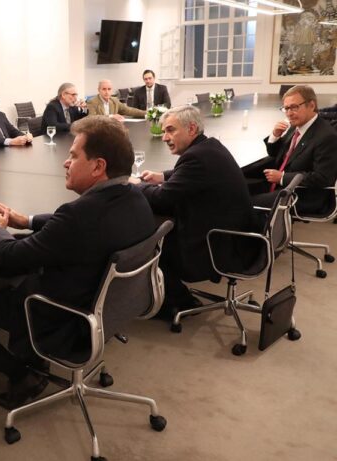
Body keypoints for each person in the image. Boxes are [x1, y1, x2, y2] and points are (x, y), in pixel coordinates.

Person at [0, 116, 156, 410]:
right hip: (111, 308)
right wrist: (26, 220)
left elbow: (13, 258)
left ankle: (22, 373)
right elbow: (67, 224)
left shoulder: (78, 217)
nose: (65, 163)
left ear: (98, 166)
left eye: (73, 156)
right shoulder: (136, 196)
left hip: (59, 314)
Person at [132, 106, 253, 312]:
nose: (164, 137)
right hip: (237, 235)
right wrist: (162, 176)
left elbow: (163, 199)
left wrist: (137, 185)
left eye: (170, 130)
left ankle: (176, 302)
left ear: (191, 129)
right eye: (163, 131)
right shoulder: (209, 147)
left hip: (216, 245)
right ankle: (175, 296)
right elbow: (191, 173)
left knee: (147, 241)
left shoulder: (195, 157)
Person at [241, 85, 337, 214]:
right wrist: (275, 135)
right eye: (286, 109)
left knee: (245, 203)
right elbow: (276, 154)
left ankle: (261, 231)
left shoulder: (327, 136)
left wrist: (282, 177)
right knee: (237, 189)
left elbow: (322, 178)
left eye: (294, 107)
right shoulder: (296, 124)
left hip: (303, 193)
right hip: (283, 184)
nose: (289, 113)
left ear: (312, 105)